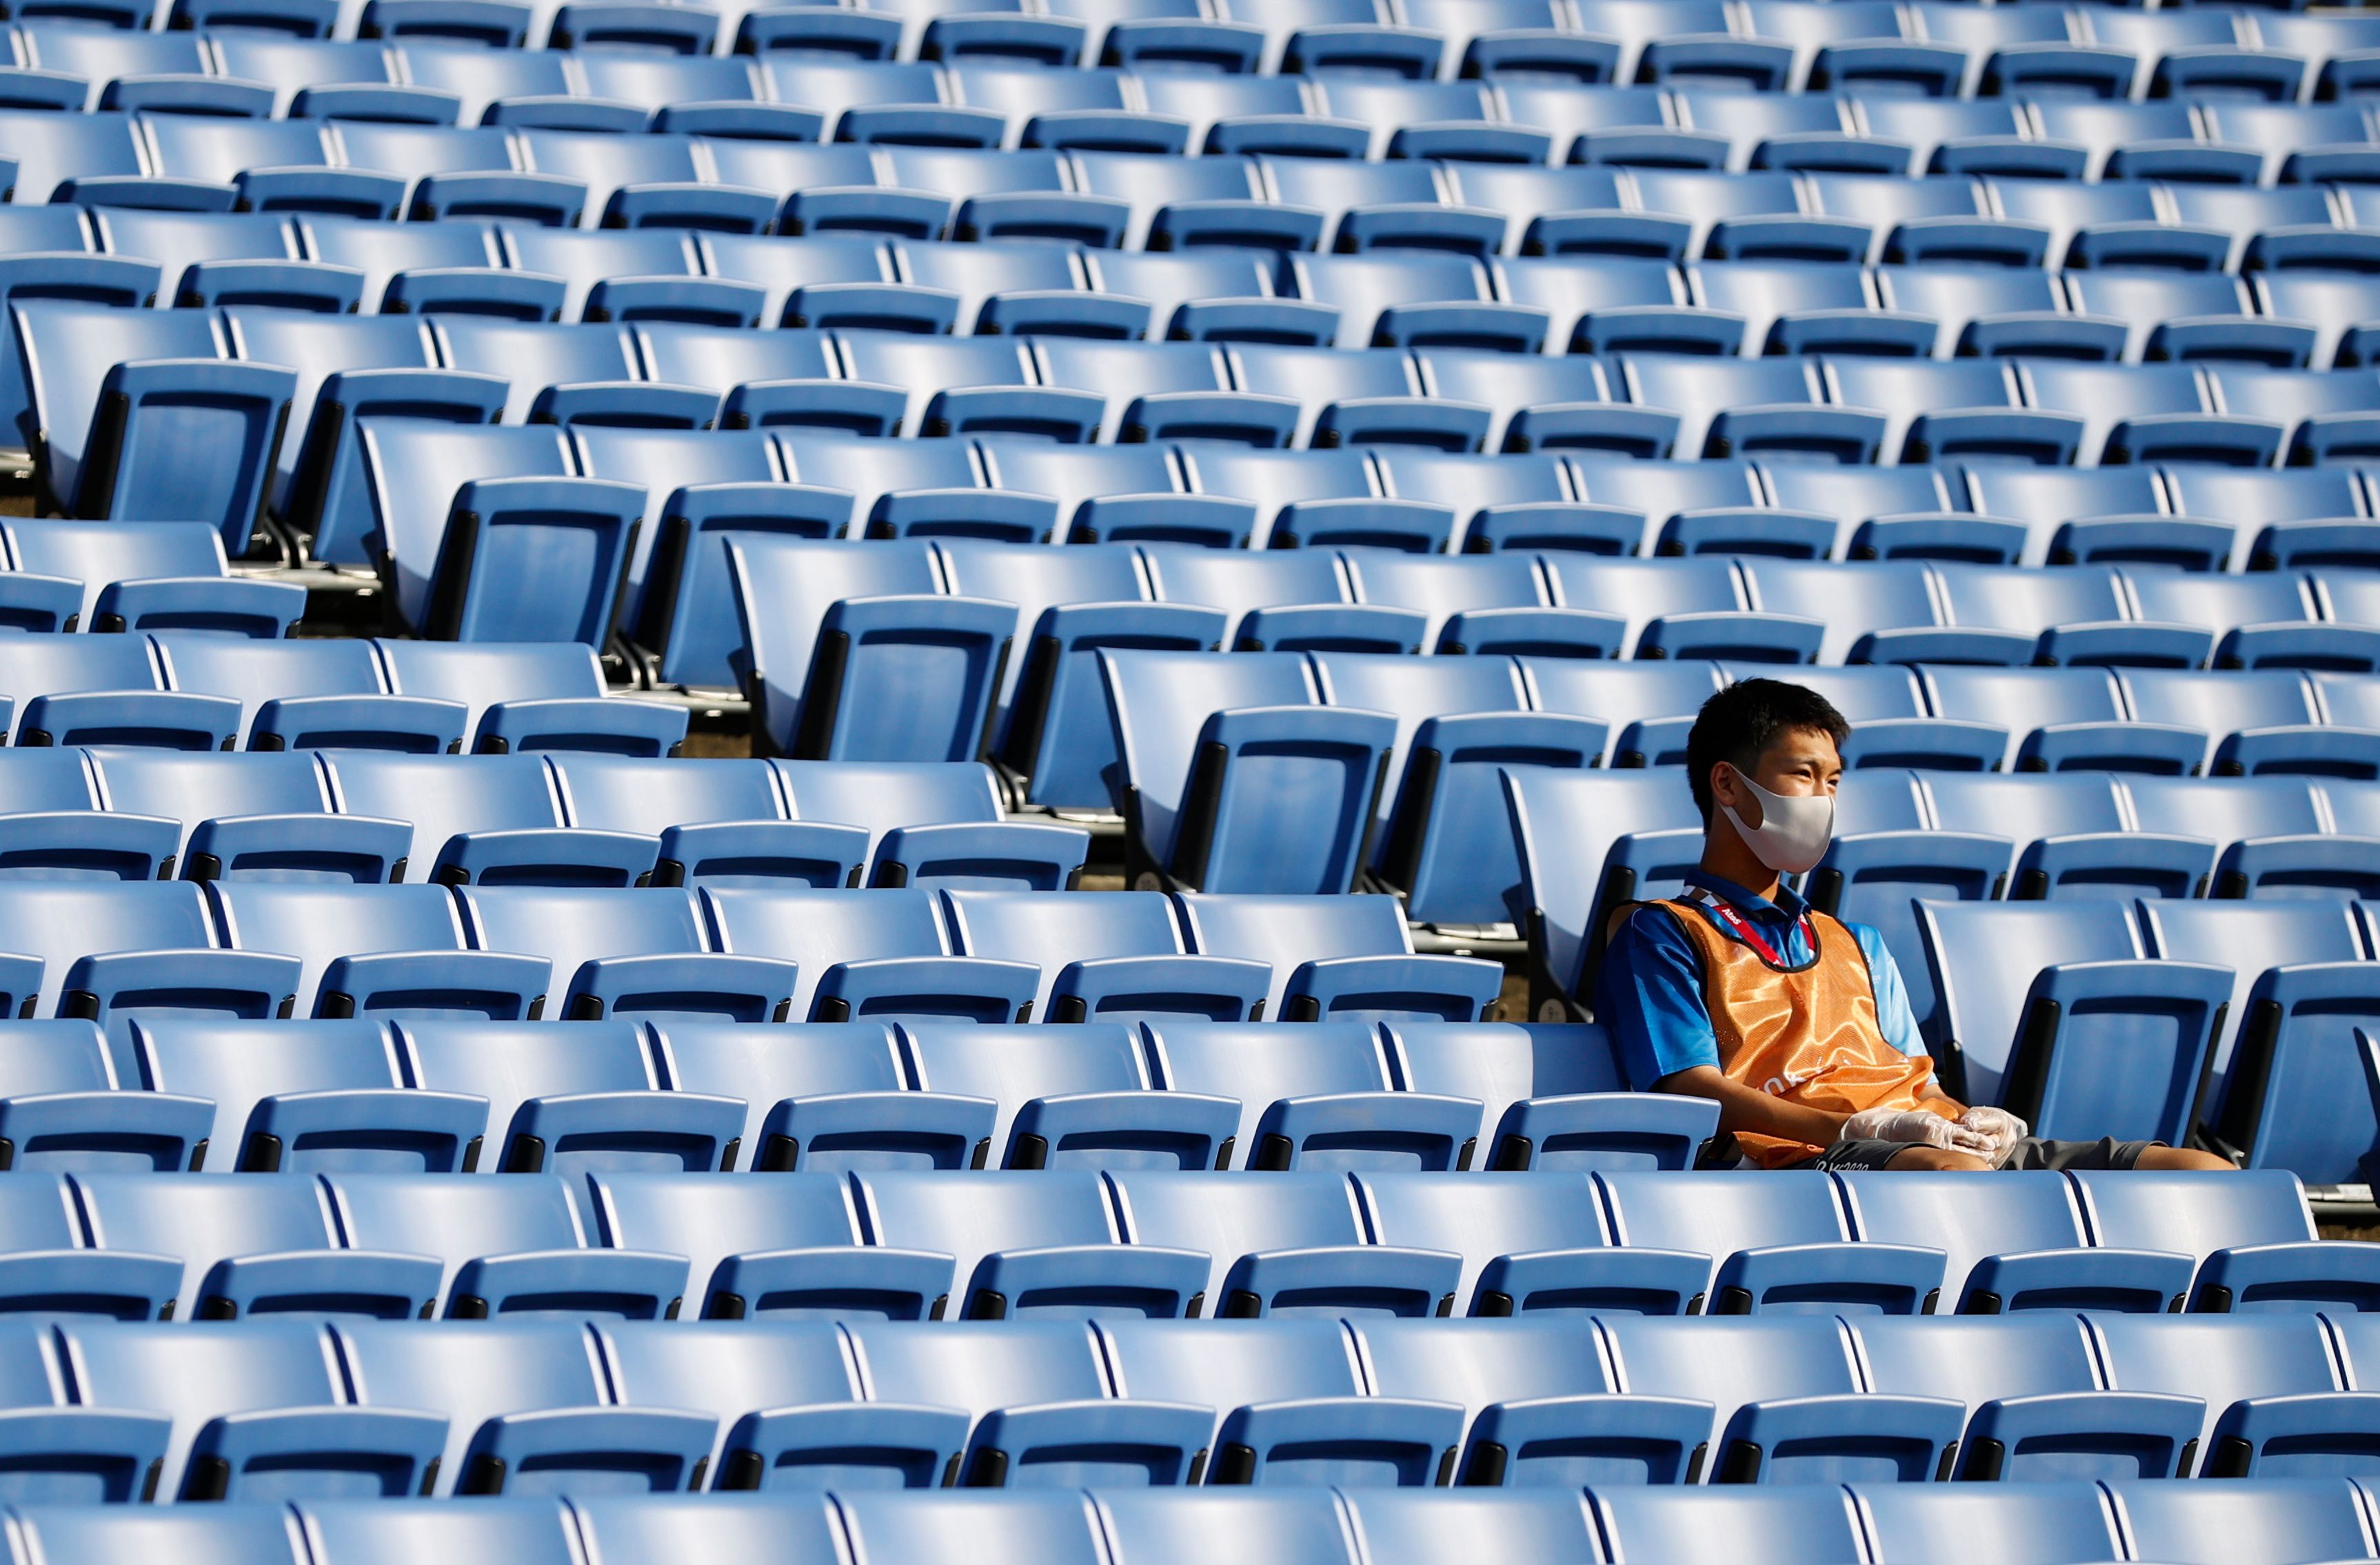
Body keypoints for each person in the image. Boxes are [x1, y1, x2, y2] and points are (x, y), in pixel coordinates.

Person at [1593, 677, 2232, 1175]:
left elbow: (1917, 1084)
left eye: (1833, 781)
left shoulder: (1856, 943)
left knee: (2201, 1171)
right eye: (1803, 775)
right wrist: (1852, 1129)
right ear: (1727, 786)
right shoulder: (1663, 933)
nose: (1822, 799)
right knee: (1952, 1176)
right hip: (1793, 1160)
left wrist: (1970, 1119)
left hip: (1922, 1147)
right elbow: (1691, 1090)